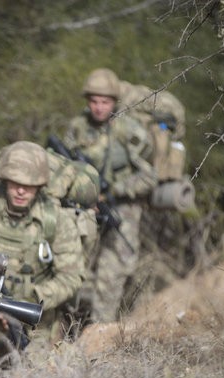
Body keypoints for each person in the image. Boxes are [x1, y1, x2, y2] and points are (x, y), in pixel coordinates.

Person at [0, 141, 86, 349]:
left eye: (29, 185)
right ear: (4, 180)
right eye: (15, 183)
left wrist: (33, 297)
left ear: (40, 186)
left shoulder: (57, 221)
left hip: (34, 324)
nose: (21, 191)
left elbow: (71, 276)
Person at [63, 68, 157, 323]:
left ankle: (100, 332)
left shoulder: (129, 130)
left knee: (112, 273)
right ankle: (67, 326)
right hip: (84, 209)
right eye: (94, 101)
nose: (99, 107)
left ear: (114, 102)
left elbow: (149, 177)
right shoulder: (78, 128)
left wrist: (116, 190)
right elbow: (64, 167)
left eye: (105, 102)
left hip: (121, 210)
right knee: (72, 268)